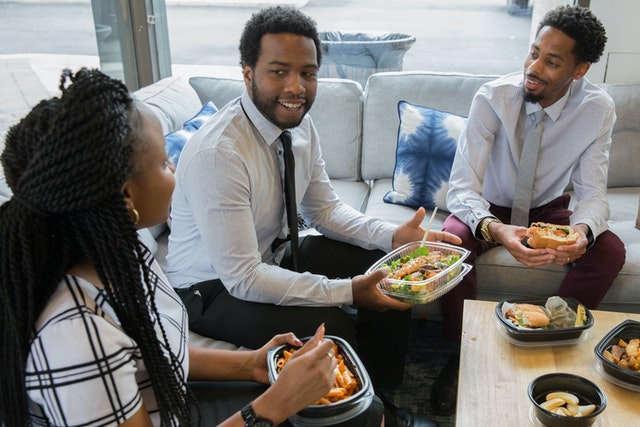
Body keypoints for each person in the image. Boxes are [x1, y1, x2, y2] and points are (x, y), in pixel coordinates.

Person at [0, 68, 380, 426]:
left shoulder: (119, 251)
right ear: (125, 194)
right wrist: (274, 405)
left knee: (357, 407)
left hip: (172, 398)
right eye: (165, 163)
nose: (177, 173)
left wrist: (251, 363)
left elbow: (154, 352)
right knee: (356, 415)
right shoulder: (76, 338)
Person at [166, 6, 459, 426]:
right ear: (247, 72)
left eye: (308, 73)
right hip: (208, 288)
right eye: (279, 71)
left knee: (392, 274)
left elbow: (324, 210)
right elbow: (243, 277)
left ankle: (379, 401)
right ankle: (374, 417)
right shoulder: (220, 154)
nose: (296, 87)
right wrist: (349, 291)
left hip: (270, 253)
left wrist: (394, 237)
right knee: (333, 319)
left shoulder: (300, 125)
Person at [435, 4, 626, 416]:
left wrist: (583, 233)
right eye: (534, 52)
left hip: (548, 210)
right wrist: (495, 228)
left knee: (610, 250)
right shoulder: (492, 97)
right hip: (488, 204)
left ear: (580, 70)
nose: (534, 67)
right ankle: (458, 353)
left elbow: (593, 193)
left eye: (551, 61)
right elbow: (463, 188)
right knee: (451, 244)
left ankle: (552, 335)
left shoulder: (597, 109)